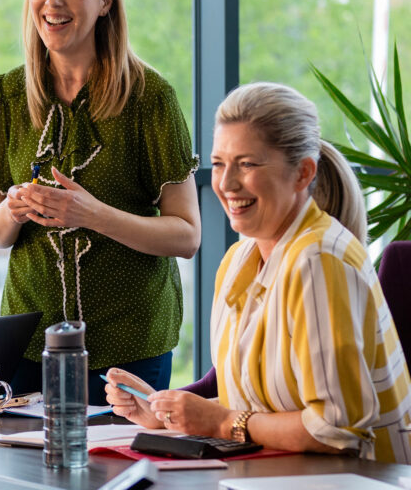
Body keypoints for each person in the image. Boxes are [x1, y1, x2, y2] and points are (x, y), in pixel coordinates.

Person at [105, 83, 411, 463]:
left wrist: (220, 422)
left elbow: (336, 430)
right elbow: (258, 405)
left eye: (247, 164)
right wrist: (167, 413)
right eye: (219, 163)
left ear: (302, 173)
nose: (226, 184)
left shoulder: (319, 260)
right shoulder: (239, 260)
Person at [0, 0, 200, 401]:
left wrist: (92, 214)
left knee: (113, 452)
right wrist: (12, 210)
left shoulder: (151, 98)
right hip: (29, 343)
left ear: (105, 2)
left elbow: (186, 235)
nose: (53, 0)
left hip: (128, 343)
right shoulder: (7, 94)